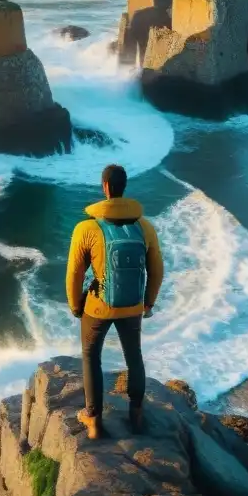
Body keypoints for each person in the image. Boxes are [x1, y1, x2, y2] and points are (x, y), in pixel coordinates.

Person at [65, 164, 164, 439]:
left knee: (90, 356)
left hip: (98, 307)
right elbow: (157, 270)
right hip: (132, 305)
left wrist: (75, 305)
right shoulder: (145, 227)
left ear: (105, 187)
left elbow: (74, 272)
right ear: (123, 187)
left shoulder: (86, 228)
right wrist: (148, 303)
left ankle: (94, 421)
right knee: (134, 357)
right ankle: (136, 413)